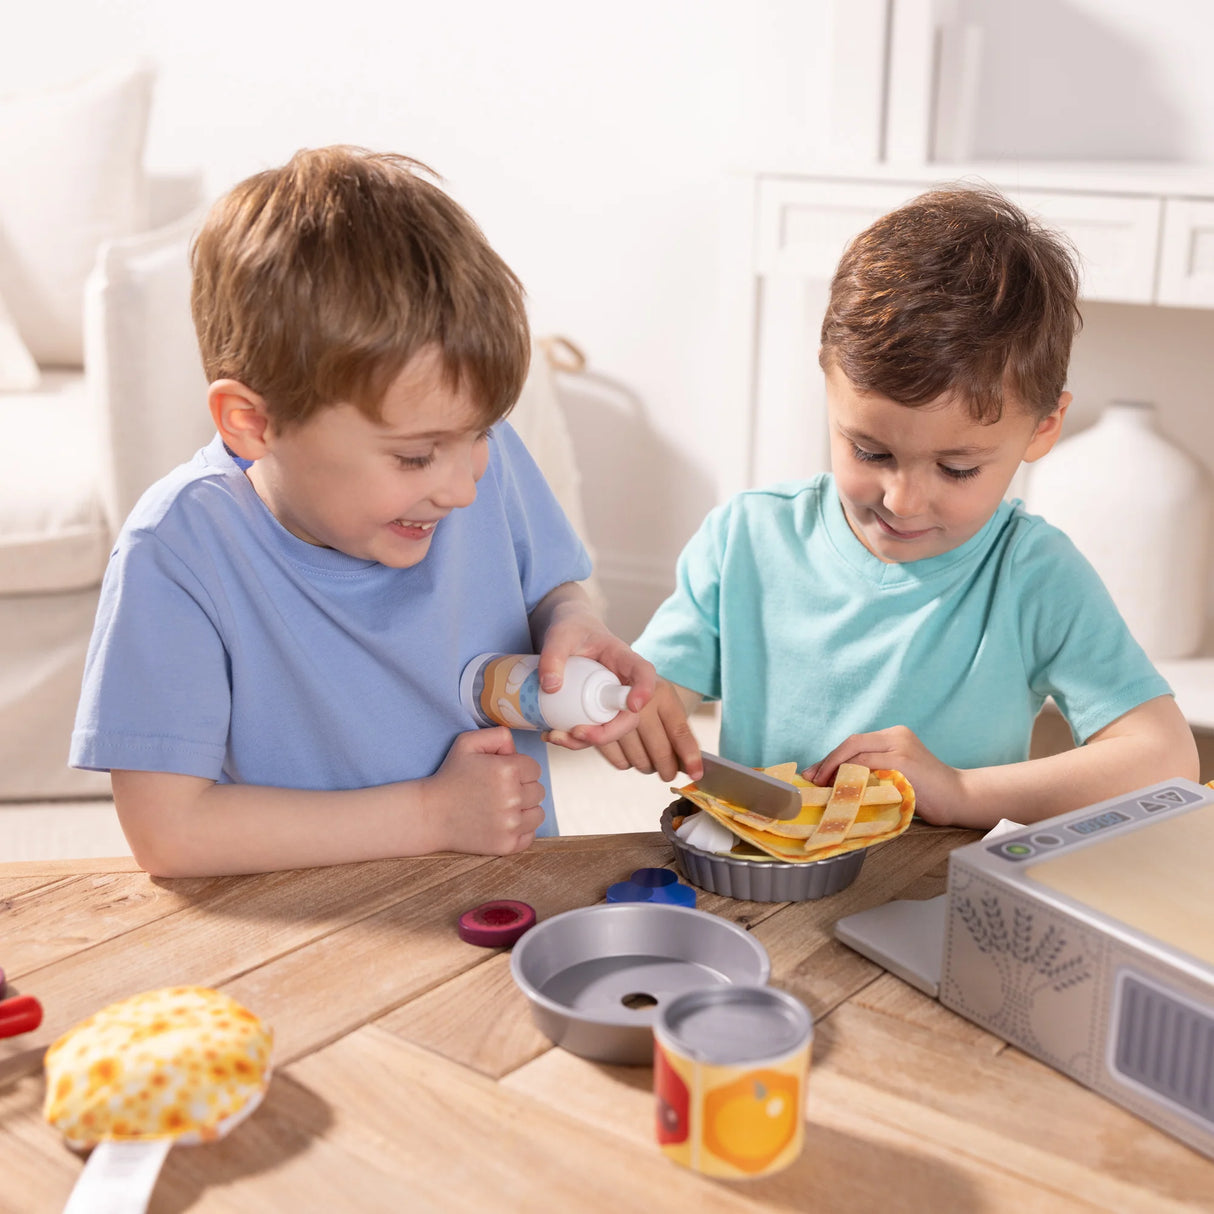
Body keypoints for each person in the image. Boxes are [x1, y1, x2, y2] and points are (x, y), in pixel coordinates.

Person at [70, 146, 655, 877]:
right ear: (252, 423)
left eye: (477, 436)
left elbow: (547, 587)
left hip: (502, 892)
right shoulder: (179, 550)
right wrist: (432, 814)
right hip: (314, 930)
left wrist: (574, 622)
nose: (463, 488)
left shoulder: (483, 462)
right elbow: (170, 834)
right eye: (415, 456)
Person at [600, 184, 1198, 828]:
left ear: (1044, 428)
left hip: (932, 897)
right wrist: (633, 708)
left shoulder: (1035, 574)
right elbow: (659, 691)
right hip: (755, 883)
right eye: (870, 451)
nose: (902, 501)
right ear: (829, 384)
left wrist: (961, 792)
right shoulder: (747, 538)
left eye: (957, 467)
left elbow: (1165, 758)